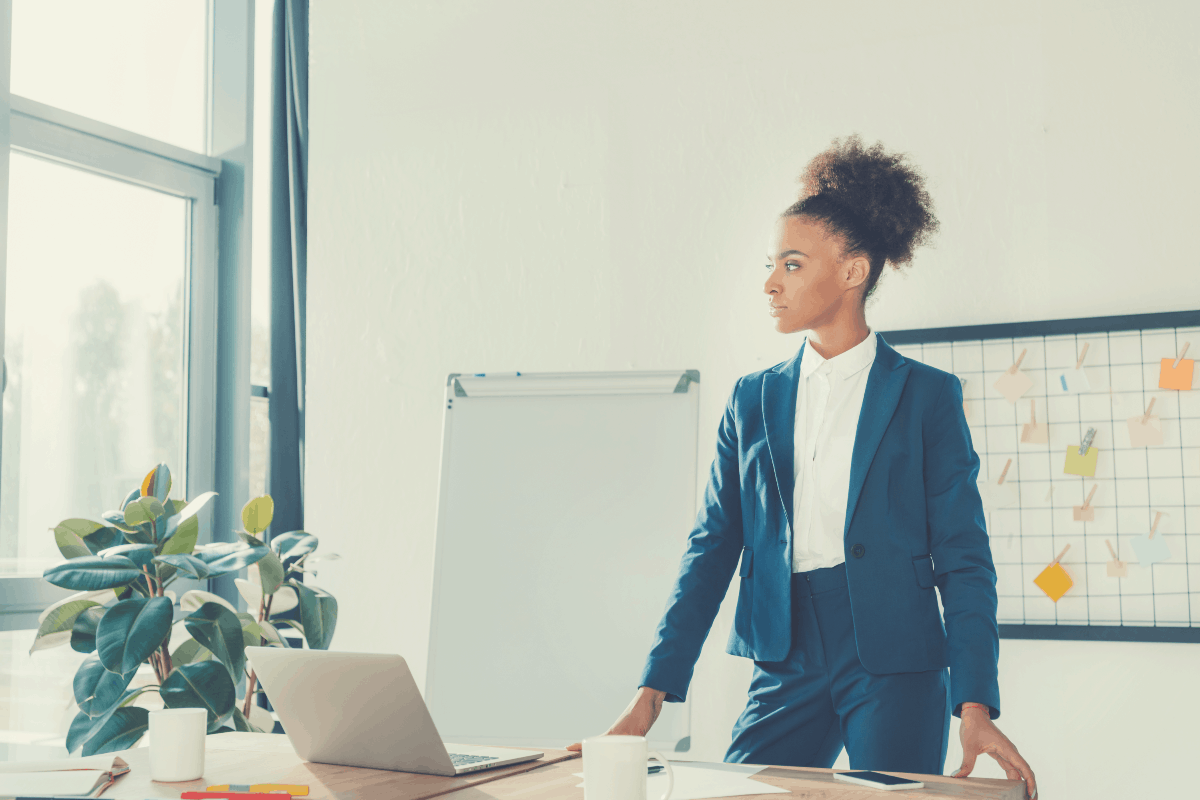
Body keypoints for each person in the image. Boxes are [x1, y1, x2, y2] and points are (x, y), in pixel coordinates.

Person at [568, 134, 1037, 799]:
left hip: (896, 662)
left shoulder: (926, 397)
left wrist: (975, 706)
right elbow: (711, 550)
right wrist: (650, 698)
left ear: (853, 271)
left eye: (791, 264)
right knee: (739, 792)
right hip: (785, 655)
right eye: (771, 264)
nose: (770, 282)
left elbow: (964, 558)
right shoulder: (752, 398)